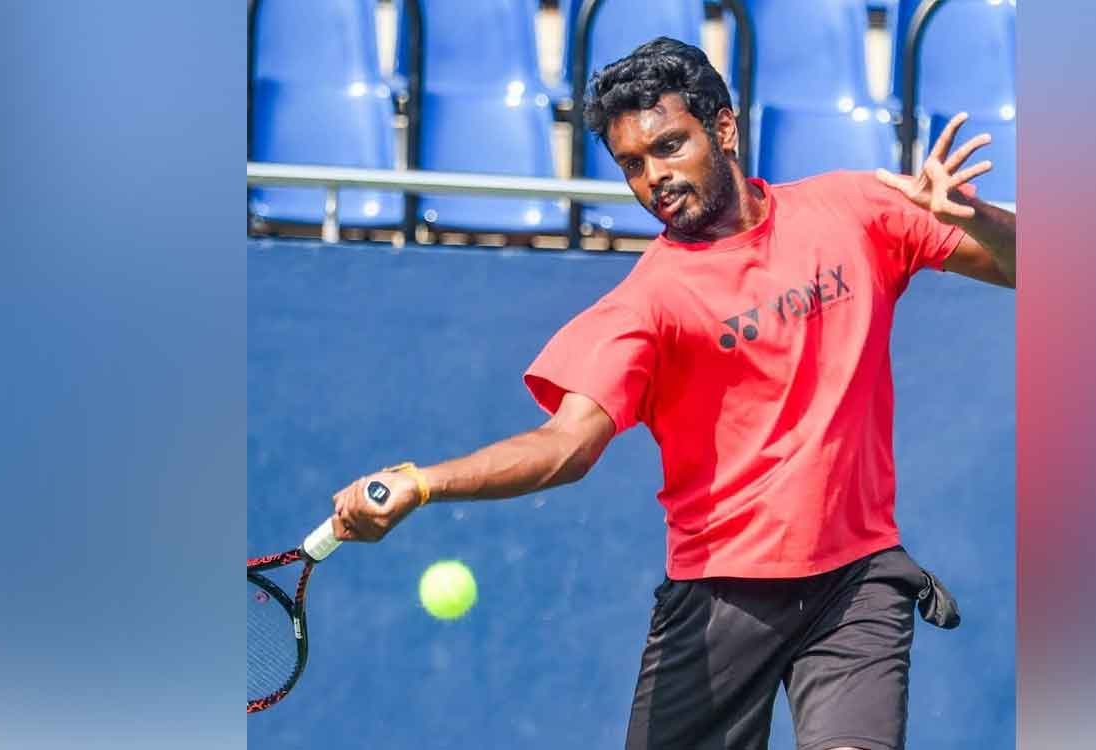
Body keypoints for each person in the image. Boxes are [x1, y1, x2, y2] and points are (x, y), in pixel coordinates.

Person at [331, 36, 1014, 750]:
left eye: (669, 147)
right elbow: (565, 446)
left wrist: (980, 220)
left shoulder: (854, 210)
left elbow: (1025, 267)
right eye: (632, 164)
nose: (654, 177)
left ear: (723, 129)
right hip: (721, 601)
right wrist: (422, 482)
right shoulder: (644, 307)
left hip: (858, 581)